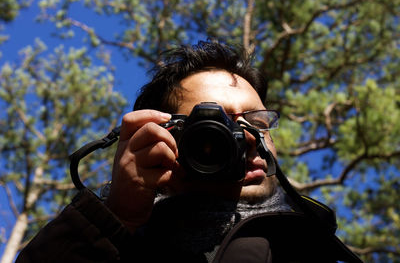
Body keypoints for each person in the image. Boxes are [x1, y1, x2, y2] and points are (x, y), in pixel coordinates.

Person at [16, 40, 362, 262]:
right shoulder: (120, 249)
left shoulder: (317, 249)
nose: (252, 137)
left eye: (257, 120)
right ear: (165, 140)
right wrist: (116, 218)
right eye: (220, 125)